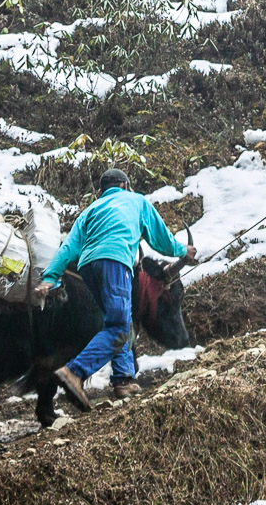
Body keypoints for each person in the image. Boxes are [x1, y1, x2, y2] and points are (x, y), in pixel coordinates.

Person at [34, 168, 197, 411]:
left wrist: (50, 277)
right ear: (125, 186)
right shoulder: (136, 201)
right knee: (120, 327)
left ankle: (123, 379)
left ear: (101, 191)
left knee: (119, 322)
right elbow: (160, 239)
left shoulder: (90, 210)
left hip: (87, 267)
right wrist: (184, 251)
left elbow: (68, 247)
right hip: (116, 260)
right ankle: (74, 373)